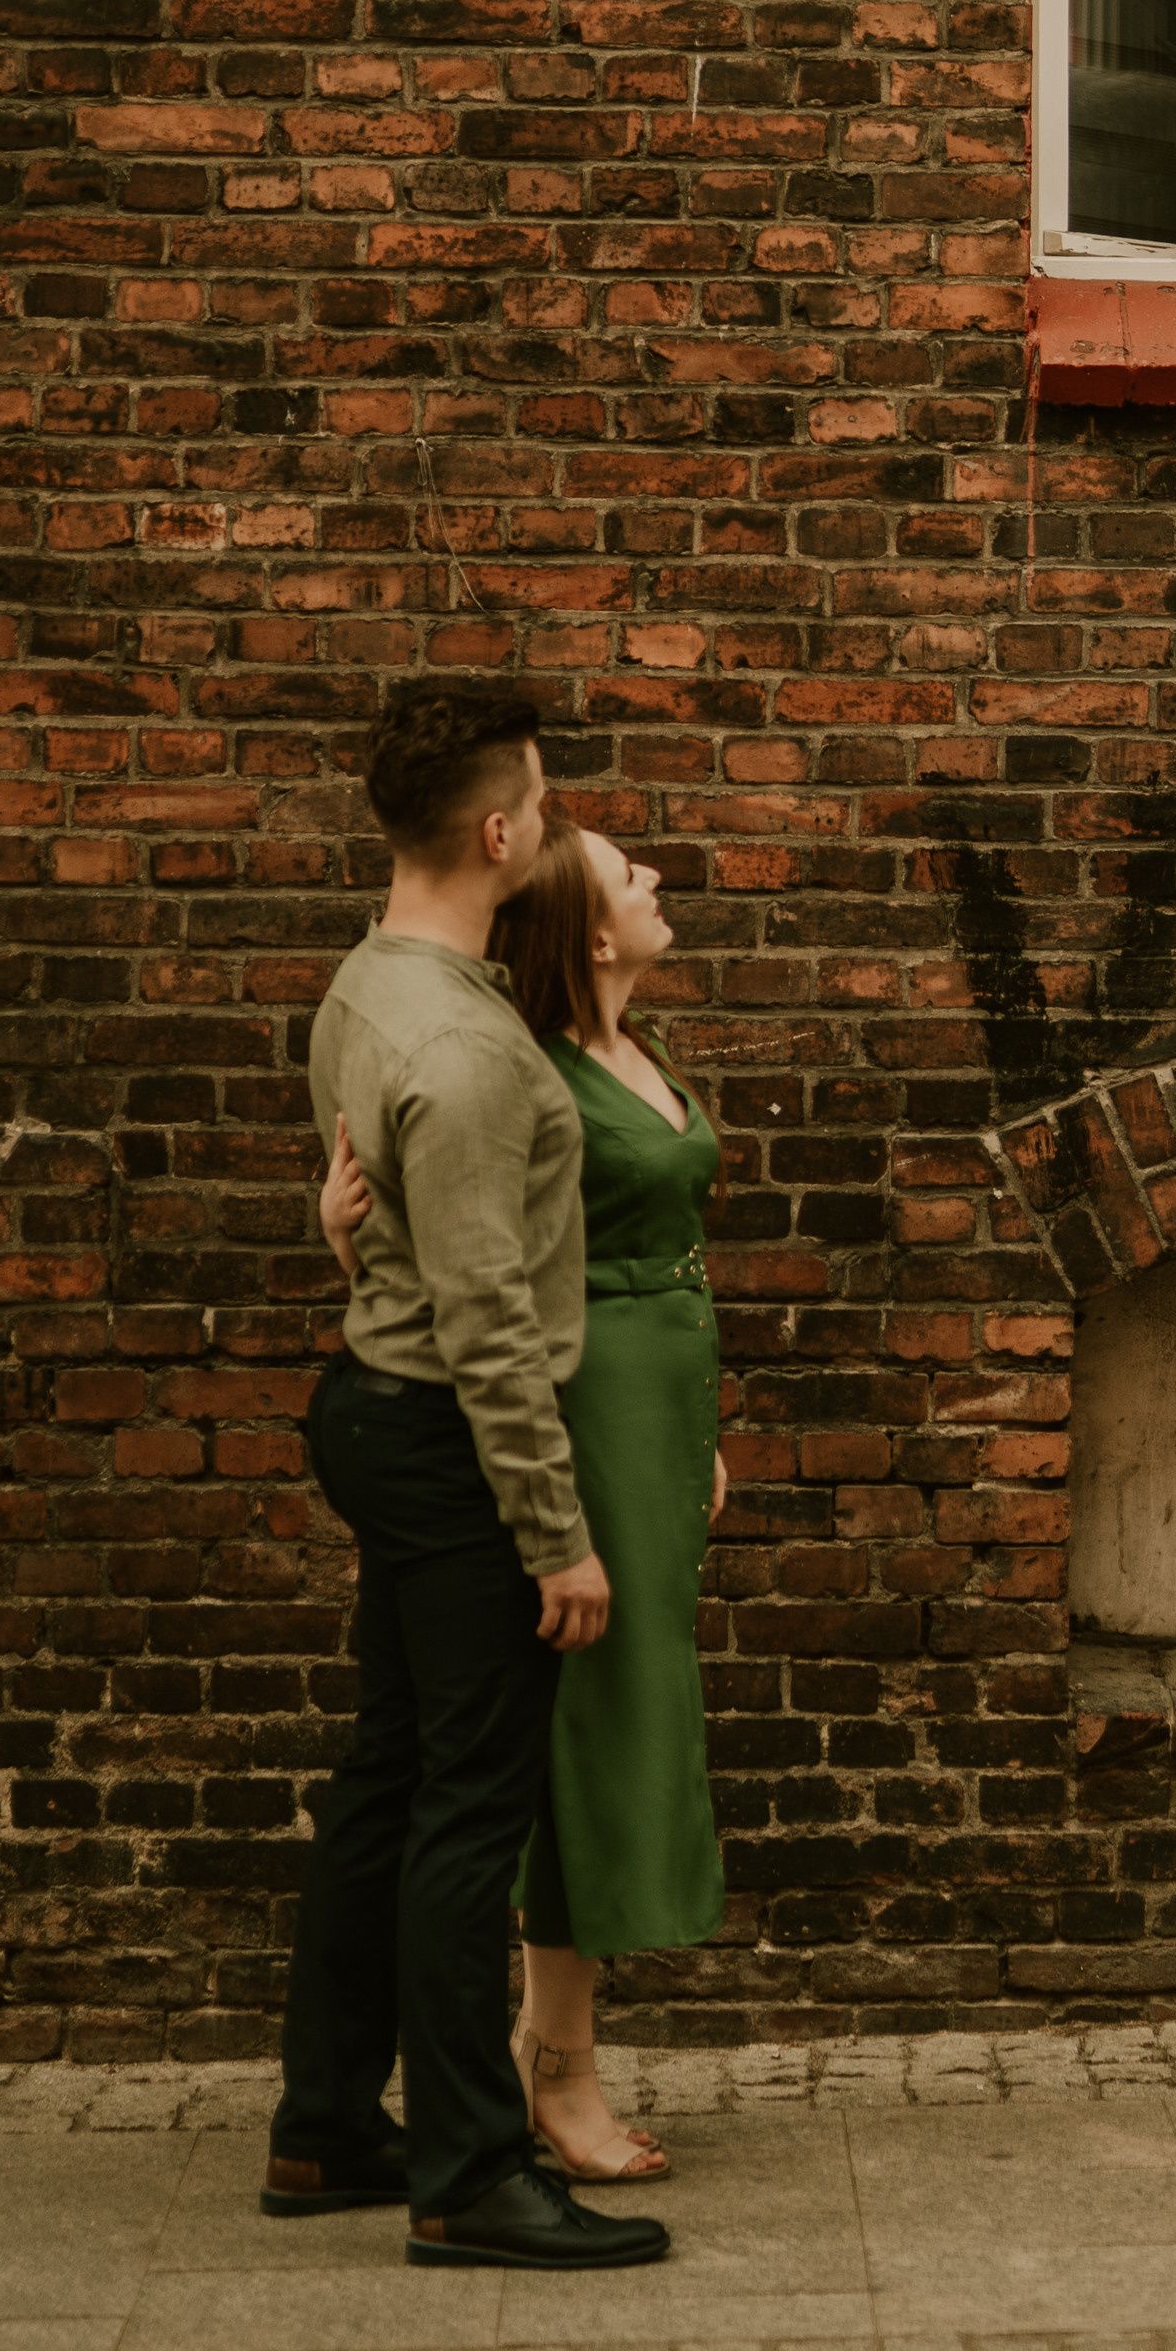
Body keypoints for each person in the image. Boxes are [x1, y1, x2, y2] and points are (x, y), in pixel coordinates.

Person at [263, 682, 669, 2276]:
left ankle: (321, 2126)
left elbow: (396, 1229)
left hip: (375, 1404)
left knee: (387, 1775)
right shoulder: (473, 1050)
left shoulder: (368, 987)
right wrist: (556, 1540)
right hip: (447, 1437)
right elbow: (495, 1327)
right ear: (497, 833)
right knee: (466, 1809)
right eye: (552, 809)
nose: (560, 833)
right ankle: (469, 2171)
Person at [322, 813, 728, 2188]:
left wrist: (698, 1436)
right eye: (633, 873)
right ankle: (554, 2069)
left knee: (630, 1722)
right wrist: (351, 1239)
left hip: (658, 1407)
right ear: (592, 931)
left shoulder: (634, 1051)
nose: (659, 877)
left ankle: (542, 2054)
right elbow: (470, 1266)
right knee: (584, 1741)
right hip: (586, 1407)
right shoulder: (529, 1070)